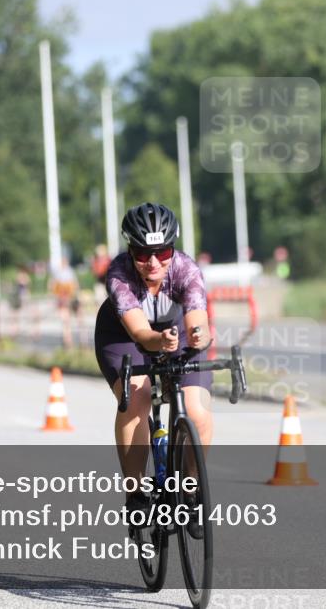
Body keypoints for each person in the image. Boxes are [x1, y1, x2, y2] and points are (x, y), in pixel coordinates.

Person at [94, 203, 212, 519]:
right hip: (124, 336)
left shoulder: (187, 270)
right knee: (137, 398)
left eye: (162, 253)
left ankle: (191, 488)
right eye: (144, 254)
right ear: (130, 250)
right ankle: (135, 493)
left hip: (178, 333)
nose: (153, 262)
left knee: (196, 409)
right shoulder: (119, 274)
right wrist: (160, 342)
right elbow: (141, 333)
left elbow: (197, 321)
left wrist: (199, 335)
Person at [51, 259, 80, 347]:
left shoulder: (64, 273)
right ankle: (67, 339)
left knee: (66, 320)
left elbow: (53, 286)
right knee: (66, 320)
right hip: (64, 297)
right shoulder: (66, 273)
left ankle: (67, 338)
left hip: (66, 297)